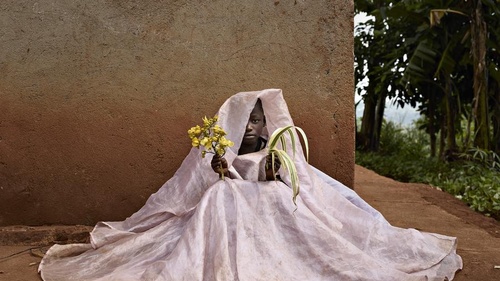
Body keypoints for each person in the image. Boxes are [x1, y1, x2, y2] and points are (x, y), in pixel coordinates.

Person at [39, 89, 462, 281]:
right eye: (249, 120)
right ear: (237, 125)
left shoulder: (278, 151)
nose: (256, 126)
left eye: (262, 120)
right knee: (220, 196)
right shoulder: (225, 151)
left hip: (276, 211)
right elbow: (212, 178)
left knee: (282, 200)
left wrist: (276, 172)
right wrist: (224, 168)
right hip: (232, 209)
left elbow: (297, 183)